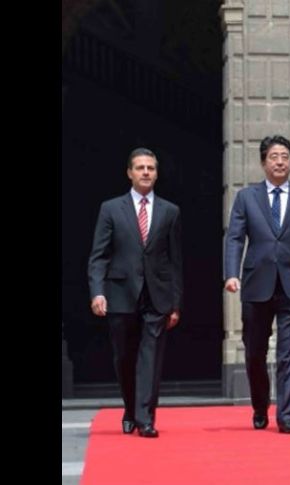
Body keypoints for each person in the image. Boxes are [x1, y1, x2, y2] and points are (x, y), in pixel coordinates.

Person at [225, 135, 290, 434]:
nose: (280, 161)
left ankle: (287, 416)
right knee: (254, 351)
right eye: (274, 156)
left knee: (289, 352)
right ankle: (260, 406)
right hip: (257, 284)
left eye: (285, 156)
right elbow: (234, 237)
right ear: (263, 162)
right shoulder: (246, 197)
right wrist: (231, 273)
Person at [88, 148, 183, 438]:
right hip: (120, 293)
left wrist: (176, 303)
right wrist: (97, 292)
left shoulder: (170, 211)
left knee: (150, 357)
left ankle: (145, 418)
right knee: (124, 358)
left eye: (151, 168)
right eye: (140, 167)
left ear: (156, 173)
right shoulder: (111, 208)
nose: (146, 172)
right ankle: (130, 409)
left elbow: (175, 260)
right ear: (129, 172)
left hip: (158, 295)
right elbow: (99, 255)